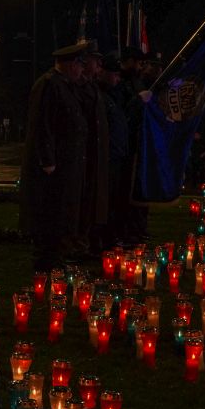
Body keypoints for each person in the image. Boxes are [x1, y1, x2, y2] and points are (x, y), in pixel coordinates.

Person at [20, 39, 89, 269]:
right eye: (80, 65)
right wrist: (47, 160)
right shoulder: (49, 84)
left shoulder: (65, 85)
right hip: (54, 167)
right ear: (70, 65)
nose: (82, 70)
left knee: (63, 213)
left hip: (67, 164)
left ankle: (57, 256)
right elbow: (43, 124)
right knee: (50, 213)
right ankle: (46, 261)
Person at [77, 46, 110, 255]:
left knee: (91, 201)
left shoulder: (93, 87)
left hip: (94, 153)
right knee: (82, 201)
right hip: (84, 153)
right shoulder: (78, 87)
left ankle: (86, 241)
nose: (99, 67)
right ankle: (78, 243)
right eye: (95, 62)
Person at [96, 53, 130, 248]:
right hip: (108, 157)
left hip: (117, 154)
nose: (117, 79)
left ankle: (111, 236)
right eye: (114, 74)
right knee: (106, 202)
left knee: (115, 200)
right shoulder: (101, 95)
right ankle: (103, 238)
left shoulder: (112, 95)